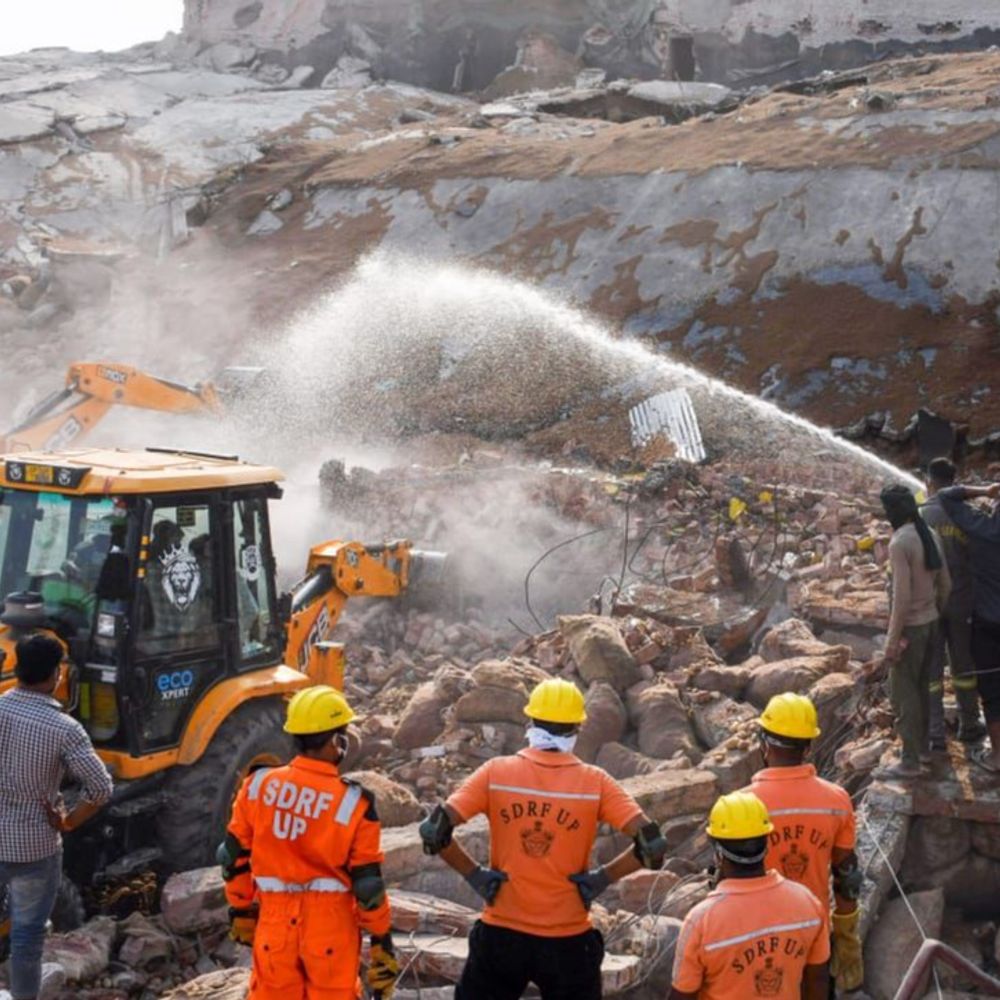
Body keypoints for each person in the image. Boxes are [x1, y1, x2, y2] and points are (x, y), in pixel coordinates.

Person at [419, 677, 667, 1000]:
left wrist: (475, 875)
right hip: (568, 941)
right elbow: (653, 845)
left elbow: (433, 831)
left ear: (530, 722)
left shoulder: (496, 772)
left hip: (501, 934)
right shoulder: (596, 783)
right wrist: (602, 879)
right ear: (577, 729)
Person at [220, 686, 399, 1000]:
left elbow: (233, 856)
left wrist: (240, 909)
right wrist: (381, 938)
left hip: (273, 928)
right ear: (335, 740)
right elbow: (368, 884)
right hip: (330, 930)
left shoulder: (258, 784)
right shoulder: (354, 802)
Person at [0, 634, 112, 1000]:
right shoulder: (64, 729)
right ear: (56, 675)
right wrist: (69, 821)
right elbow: (100, 788)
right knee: (28, 939)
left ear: (16, 670)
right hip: (36, 848)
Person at [744, 693, 863, 994]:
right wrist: (846, 935)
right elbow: (846, 874)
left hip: (757, 938)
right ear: (808, 747)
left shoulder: (743, 805)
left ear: (764, 742)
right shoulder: (836, 800)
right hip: (814, 933)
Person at [670, 791, 829, 1000]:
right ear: (767, 841)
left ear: (717, 851)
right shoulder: (807, 902)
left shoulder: (701, 920)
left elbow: (682, 995)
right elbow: (817, 980)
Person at [879, 484, 951, 778]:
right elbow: (946, 585)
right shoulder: (929, 534)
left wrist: (892, 641)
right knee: (923, 688)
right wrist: (934, 613)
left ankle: (909, 762)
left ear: (893, 511)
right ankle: (922, 751)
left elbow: (902, 599)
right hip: (931, 622)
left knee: (903, 694)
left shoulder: (899, 543)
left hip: (911, 629)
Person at [921, 458, 986, 747]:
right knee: (964, 666)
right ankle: (969, 725)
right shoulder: (965, 514)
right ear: (955, 481)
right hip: (962, 603)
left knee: (931, 671)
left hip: (929, 607)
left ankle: (934, 734)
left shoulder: (920, 517)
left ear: (929, 482)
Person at [938, 479, 1000, 772]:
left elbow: (946, 495)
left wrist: (986, 490)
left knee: (991, 690)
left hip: (986, 622)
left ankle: (998, 755)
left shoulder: (981, 527)